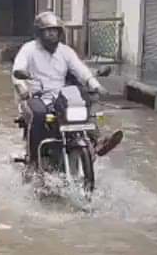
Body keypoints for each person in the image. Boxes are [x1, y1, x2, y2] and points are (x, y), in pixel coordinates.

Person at [11, 12, 124, 161]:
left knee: (85, 102)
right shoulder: (28, 49)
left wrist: (95, 85)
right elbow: (17, 70)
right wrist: (22, 87)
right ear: (40, 33)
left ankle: (97, 141)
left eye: (55, 31)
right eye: (48, 31)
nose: (52, 34)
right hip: (35, 96)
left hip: (60, 95)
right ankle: (33, 159)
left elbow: (81, 69)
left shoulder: (65, 51)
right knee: (38, 115)